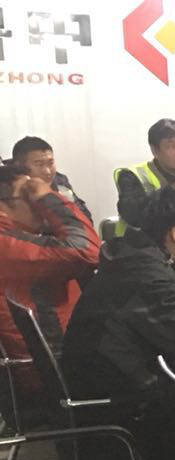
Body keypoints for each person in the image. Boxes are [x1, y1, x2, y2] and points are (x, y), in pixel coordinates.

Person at [62, 185, 175, 444]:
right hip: (120, 404)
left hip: (105, 382)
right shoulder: (147, 273)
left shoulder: (137, 256)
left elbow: (165, 314)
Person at [0, 163, 100, 419]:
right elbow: (85, 251)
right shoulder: (6, 243)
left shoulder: (19, 234)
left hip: (57, 361)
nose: (38, 204)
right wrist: (48, 198)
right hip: (53, 374)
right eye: (28, 195)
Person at [12, 135, 89, 219]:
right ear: (19, 167)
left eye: (50, 163)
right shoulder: (8, 191)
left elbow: (84, 216)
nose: (48, 172)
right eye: (39, 164)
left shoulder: (59, 181)